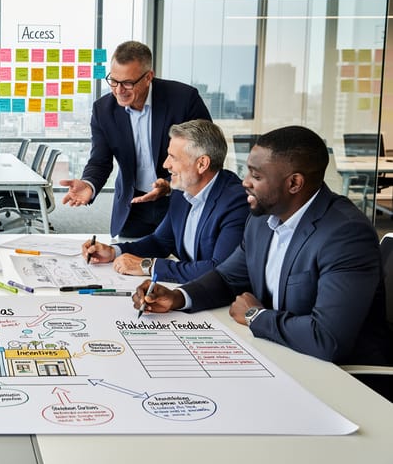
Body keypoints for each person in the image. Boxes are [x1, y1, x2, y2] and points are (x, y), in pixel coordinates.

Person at [134, 125, 392, 368]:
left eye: (256, 176)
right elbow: (227, 278)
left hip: (341, 375)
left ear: (294, 183)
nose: (244, 182)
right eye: (247, 171)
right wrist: (178, 297)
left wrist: (255, 317)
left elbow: (327, 339)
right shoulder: (261, 220)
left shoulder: (345, 234)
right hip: (279, 353)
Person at [60, 40, 212, 238]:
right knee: (123, 259)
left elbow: (206, 150)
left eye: (127, 83)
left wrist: (169, 184)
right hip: (132, 205)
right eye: (113, 81)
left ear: (148, 77)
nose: (119, 90)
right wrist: (89, 184)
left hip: (177, 198)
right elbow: (100, 160)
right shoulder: (103, 110)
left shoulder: (183, 99)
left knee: (179, 260)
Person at [83, 119, 248, 283]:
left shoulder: (236, 202)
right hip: (190, 290)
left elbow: (220, 270)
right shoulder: (181, 190)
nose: (165, 165)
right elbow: (160, 242)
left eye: (173, 157)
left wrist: (148, 266)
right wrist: (113, 252)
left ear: (202, 163)